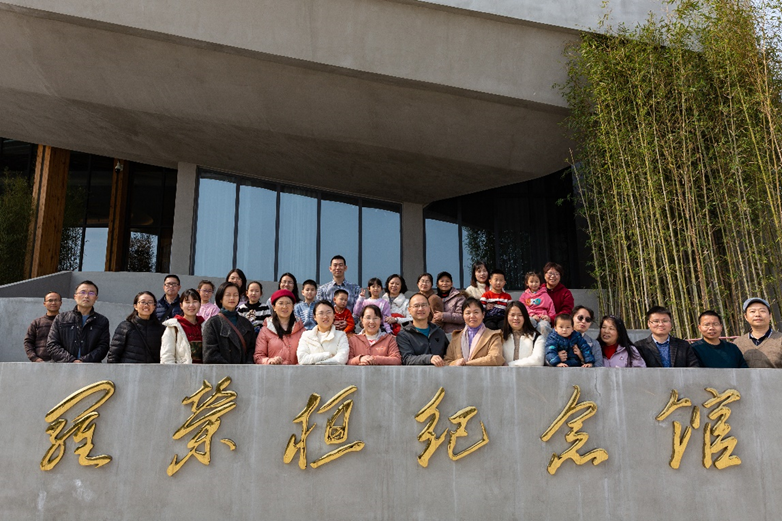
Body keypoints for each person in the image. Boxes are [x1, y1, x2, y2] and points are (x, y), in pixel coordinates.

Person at [47, 280, 110, 363]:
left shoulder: (102, 321)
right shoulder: (61, 318)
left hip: (89, 367)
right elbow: (52, 344)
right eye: (82, 292)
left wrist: (83, 361)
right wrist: (71, 360)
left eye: (91, 293)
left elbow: (103, 347)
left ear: (96, 298)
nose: (86, 296)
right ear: (75, 296)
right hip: (63, 366)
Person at [202, 281, 255, 364]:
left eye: (235, 295)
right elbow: (210, 354)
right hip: (222, 371)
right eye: (228, 295)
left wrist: (247, 365)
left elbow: (252, 349)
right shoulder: (213, 323)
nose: (232, 298)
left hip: (244, 370)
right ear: (220, 298)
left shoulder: (246, 323)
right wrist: (229, 368)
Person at [108, 291, 165, 363]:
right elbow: (113, 354)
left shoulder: (161, 329)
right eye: (143, 302)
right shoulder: (125, 326)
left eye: (150, 302)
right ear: (135, 306)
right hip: (129, 369)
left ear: (154, 306)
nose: (146, 305)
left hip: (152, 369)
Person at [444, 298, 504, 366]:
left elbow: (496, 358)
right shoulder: (456, 338)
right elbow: (447, 361)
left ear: (483, 314)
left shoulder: (493, 336)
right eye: (468, 313)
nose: (472, 316)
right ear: (463, 316)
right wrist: (455, 363)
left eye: (476, 312)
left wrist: (467, 364)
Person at [635, 306, 700, 367]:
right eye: (656, 321)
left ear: (671, 323)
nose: (661, 324)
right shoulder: (639, 346)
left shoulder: (683, 345)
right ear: (649, 323)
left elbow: (694, 367)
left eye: (665, 321)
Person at [254, 289, 305, 365]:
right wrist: (269, 361)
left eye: (288, 303)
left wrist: (298, 366)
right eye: (281, 303)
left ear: (293, 306)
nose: (284, 307)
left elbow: (308, 354)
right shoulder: (265, 330)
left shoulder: (302, 330)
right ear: (274, 307)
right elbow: (258, 356)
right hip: (273, 371)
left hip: (297, 371)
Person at [396, 293, 447, 366]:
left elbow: (448, 355)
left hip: (439, 372)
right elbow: (407, 359)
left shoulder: (439, 332)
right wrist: (429, 358)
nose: (420, 309)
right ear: (409, 310)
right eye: (416, 306)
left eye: (424, 305)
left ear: (429, 308)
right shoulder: (404, 335)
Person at [297, 300, 349, 365]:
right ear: (314, 317)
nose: (325, 316)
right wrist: (327, 355)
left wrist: (320, 363)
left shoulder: (341, 335)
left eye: (328, 312)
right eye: (321, 313)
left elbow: (342, 358)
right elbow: (302, 359)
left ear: (334, 315)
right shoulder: (306, 336)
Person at [734, 298, 782, 368]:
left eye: (762, 311)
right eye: (752, 311)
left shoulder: (780, 340)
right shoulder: (738, 343)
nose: (757, 314)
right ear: (746, 317)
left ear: (770, 316)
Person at [161, 288, 204, 364]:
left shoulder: (205, 325)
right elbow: (167, 357)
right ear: (181, 305)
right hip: (181, 370)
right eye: (187, 302)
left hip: (203, 371)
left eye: (195, 301)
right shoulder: (173, 327)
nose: (191, 305)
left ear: (200, 304)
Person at [501, 301, 545, 366]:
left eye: (520, 315)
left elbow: (538, 360)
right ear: (507, 317)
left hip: (528, 372)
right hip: (504, 372)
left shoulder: (536, 337)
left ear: (525, 317)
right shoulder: (500, 336)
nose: (516, 318)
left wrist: (510, 365)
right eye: (512, 315)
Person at [24, 291, 62, 362]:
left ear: (61, 303)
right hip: (41, 362)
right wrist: (35, 358)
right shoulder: (36, 323)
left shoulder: (67, 322)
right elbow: (28, 342)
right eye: (50, 300)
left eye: (56, 300)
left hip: (63, 362)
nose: (53, 303)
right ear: (44, 304)